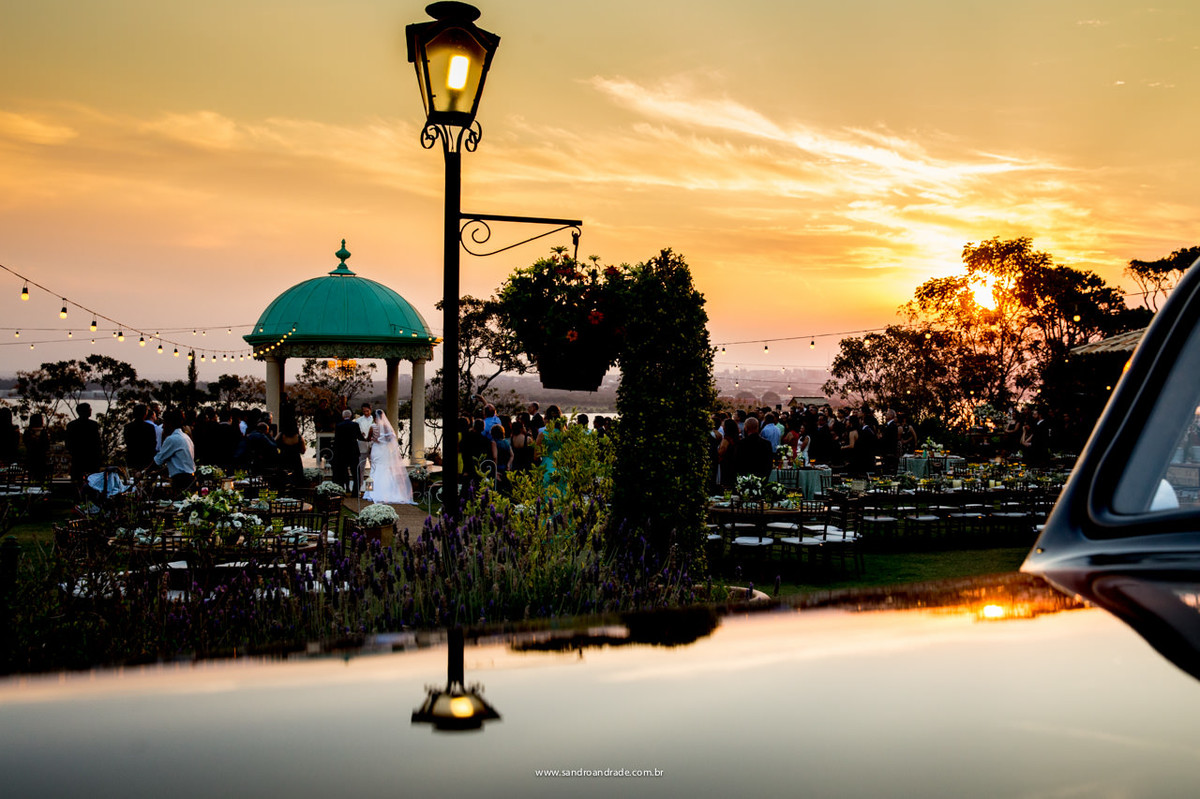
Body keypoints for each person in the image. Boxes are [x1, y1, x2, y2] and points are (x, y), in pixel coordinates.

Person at [362, 409, 414, 504]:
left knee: (374, 469)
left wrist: (369, 438)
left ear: (374, 418)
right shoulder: (386, 427)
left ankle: (372, 491)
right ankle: (387, 491)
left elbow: (368, 439)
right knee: (385, 469)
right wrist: (384, 441)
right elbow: (392, 439)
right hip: (384, 450)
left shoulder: (372, 427)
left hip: (376, 449)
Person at [154, 409, 195, 496]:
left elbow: (158, 460)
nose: (163, 427)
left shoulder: (172, 439)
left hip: (181, 480)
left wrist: (143, 472)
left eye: (164, 424)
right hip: (190, 478)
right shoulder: (185, 437)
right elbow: (179, 461)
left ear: (170, 424)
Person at [65, 402, 104, 485]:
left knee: (77, 481)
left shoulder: (71, 425)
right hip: (92, 458)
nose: (91, 410)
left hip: (78, 458)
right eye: (89, 409)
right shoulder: (93, 425)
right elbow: (97, 442)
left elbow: (68, 443)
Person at [333, 409, 363, 493]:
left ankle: (345, 488)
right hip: (353, 451)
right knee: (355, 471)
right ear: (350, 416)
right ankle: (355, 490)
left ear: (343, 416)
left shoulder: (339, 426)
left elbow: (337, 440)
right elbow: (359, 437)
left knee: (343, 471)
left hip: (342, 451)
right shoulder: (355, 425)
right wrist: (366, 438)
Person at [736, 416, 774, 480]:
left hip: (745, 478)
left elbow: (738, 463)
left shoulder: (741, 444)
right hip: (761, 477)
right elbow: (769, 464)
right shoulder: (766, 444)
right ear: (757, 428)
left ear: (746, 428)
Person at [124, 405, 157, 471]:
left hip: (132, 458)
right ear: (145, 414)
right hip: (146, 459)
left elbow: (127, 442)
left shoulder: (128, 427)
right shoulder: (150, 427)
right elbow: (153, 444)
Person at [275, 419, 306, 485]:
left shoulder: (280, 436)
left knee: (281, 479)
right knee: (297, 479)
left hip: (283, 460)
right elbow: (303, 450)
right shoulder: (299, 438)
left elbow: (274, 445)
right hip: (295, 461)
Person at [23, 413, 51, 484]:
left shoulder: (27, 432)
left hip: (30, 458)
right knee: (41, 480)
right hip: (41, 459)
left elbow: (26, 443)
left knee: (31, 479)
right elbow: (47, 446)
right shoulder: (44, 432)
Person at [356, 403, 373, 490]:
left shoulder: (374, 420)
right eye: (364, 411)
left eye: (367, 411)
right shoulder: (358, 420)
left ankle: (373, 486)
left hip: (372, 445)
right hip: (362, 444)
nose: (366, 413)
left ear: (370, 409)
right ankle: (360, 486)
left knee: (373, 465)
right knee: (361, 467)